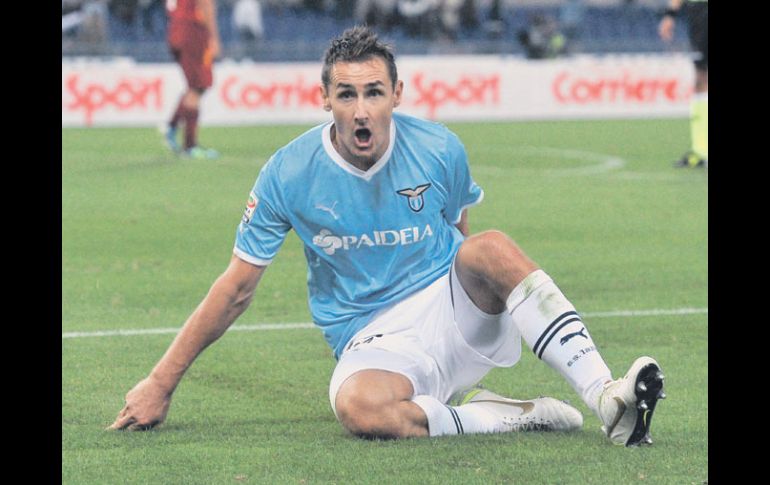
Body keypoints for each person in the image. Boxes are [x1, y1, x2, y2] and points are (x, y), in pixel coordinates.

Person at [110, 25, 665, 446]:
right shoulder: (288, 172)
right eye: (346, 95)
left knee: (489, 247)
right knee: (360, 409)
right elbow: (236, 288)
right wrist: (160, 383)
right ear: (324, 98)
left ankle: (606, 397)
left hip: (452, 309)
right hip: (372, 339)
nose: (361, 111)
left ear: (397, 94)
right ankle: (504, 416)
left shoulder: (439, 147)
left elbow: (462, 235)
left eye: (373, 93)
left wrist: (474, 290)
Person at [163, 0, 220, 159]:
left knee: (195, 86)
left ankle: (172, 126)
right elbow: (205, 4)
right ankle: (189, 146)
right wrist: (213, 37)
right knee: (198, 86)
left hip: (176, 30)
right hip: (193, 32)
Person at [659, 0, 707, 168]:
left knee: (702, 79)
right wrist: (670, 14)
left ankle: (702, 151)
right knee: (701, 79)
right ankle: (701, 150)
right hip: (697, 13)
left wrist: (670, 15)